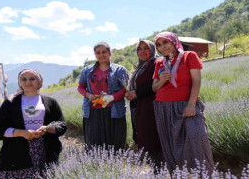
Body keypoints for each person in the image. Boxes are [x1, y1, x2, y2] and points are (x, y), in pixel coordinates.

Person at [152, 31, 214, 174]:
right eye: (159, 45)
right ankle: (179, 175)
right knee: (171, 143)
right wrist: (162, 80)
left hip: (186, 104)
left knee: (197, 135)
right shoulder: (159, 62)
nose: (163, 47)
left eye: (165, 42)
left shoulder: (188, 56)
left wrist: (191, 104)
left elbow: (196, 81)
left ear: (174, 41)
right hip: (163, 106)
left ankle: (204, 174)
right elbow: (154, 88)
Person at [0, 69, 67, 178]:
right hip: (17, 153)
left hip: (45, 151)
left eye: (32, 79)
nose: (28, 82)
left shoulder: (50, 102)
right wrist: (22, 133)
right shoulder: (10, 102)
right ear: (20, 83)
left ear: (39, 82)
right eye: (24, 79)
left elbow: (62, 125)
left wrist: (47, 129)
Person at [78, 42, 129, 151]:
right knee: (94, 145)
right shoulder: (87, 70)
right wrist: (89, 95)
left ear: (110, 53)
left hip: (114, 111)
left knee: (114, 144)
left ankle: (114, 166)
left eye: (104, 52)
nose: (101, 55)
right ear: (95, 55)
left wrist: (111, 98)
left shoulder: (120, 70)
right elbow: (80, 87)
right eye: (98, 53)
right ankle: (95, 166)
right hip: (92, 111)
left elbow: (125, 89)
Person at [125, 40, 162, 169]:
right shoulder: (140, 65)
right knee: (143, 138)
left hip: (150, 108)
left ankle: (159, 172)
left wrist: (136, 93)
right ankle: (155, 171)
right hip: (139, 108)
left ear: (152, 49)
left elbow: (155, 85)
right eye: (139, 49)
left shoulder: (156, 63)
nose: (142, 51)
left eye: (146, 48)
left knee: (152, 140)